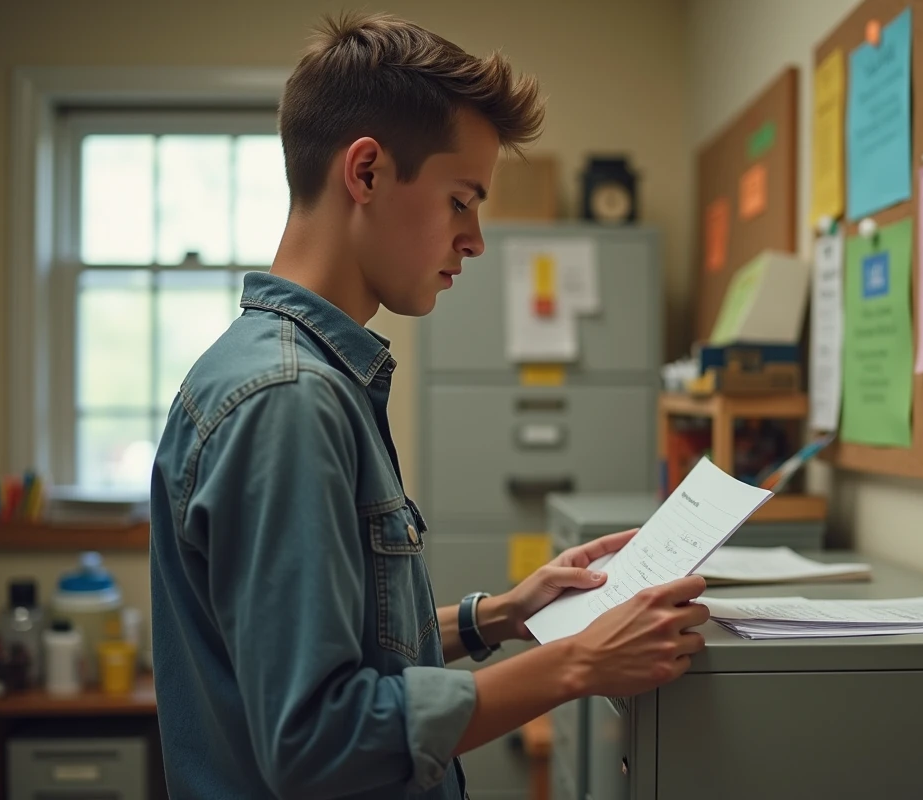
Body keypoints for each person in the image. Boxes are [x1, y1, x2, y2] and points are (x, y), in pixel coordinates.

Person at [148, 10, 709, 800]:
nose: (476, 239)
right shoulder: (288, 401)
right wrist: (574, 664)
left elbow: (334, 653)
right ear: (367, 172)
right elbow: (317, 739)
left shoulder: (299, 377)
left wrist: (502, 616)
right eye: (460, 201)